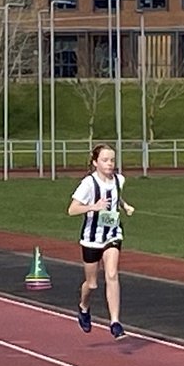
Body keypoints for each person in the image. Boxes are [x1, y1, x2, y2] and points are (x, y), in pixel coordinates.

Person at [67, 143, 134, 339]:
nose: (110, 163)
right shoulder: (88, 184)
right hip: (91, 238)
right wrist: (93, 207)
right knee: (92, 283)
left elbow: (116, 198)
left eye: (112, 159)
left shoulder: (119, 180)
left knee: (112, 274)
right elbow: (72, 209)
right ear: (95, 162)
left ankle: (115, 322)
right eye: (105, 160)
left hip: (113, 233)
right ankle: (84, 306)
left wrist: (125, 206)